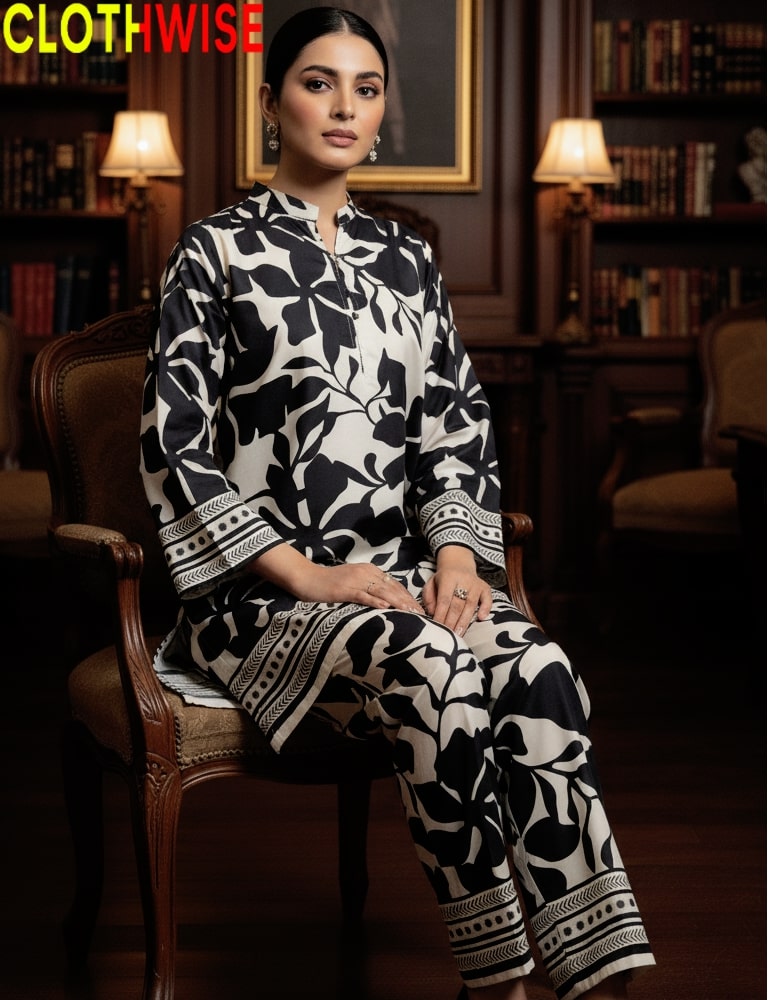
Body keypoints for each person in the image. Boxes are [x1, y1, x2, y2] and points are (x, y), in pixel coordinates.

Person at [140, 8, 655, 999]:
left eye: (366, 88)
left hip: (403, 577)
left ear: (382, 111)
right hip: (264, 597)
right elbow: (175, 447)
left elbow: (453, 424)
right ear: (271, 103)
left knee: (540, 665)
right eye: (319, 82)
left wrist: (458, 557)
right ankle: (496, 977)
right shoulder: (212, 254)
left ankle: (595, 966)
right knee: (429, 663)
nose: (344, 106)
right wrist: (307, 573)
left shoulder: (406, 261)